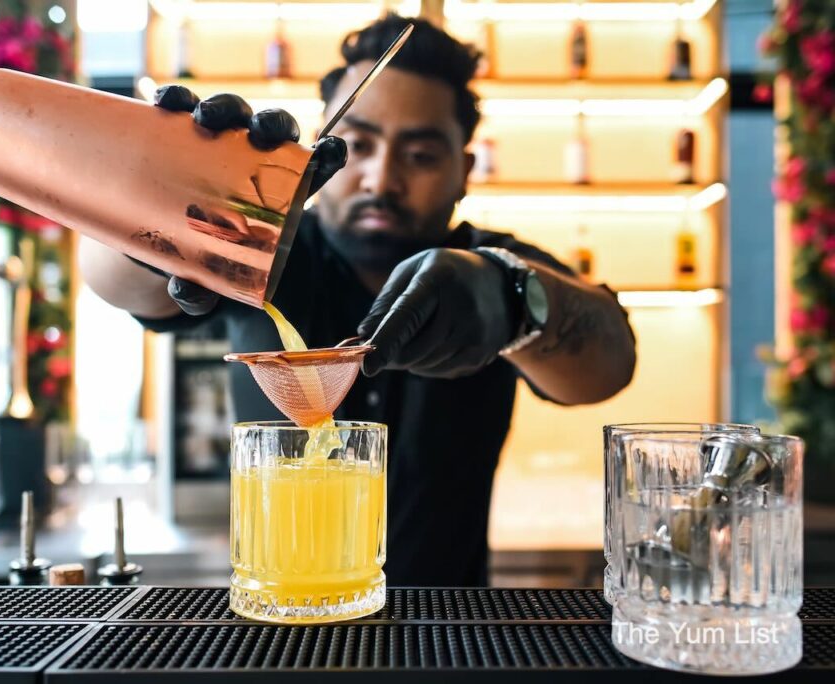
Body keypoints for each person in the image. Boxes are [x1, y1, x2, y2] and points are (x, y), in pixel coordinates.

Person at [80, 15, 636, 586]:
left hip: (450, 632)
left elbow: (610, 363)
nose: (381, 177)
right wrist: (157, 207)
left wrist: (518, 303)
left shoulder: (493, 264)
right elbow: (111, 279)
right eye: (360, 144)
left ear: (464, 171)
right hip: (282, 625)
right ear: (319, 148)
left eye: (420, 155)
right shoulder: (260, 246)